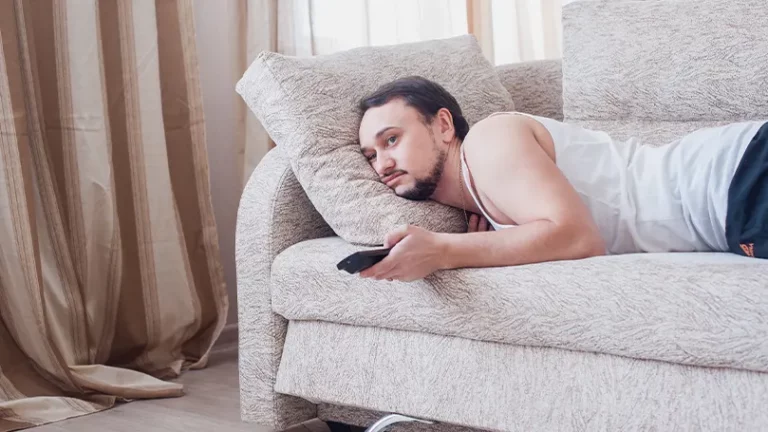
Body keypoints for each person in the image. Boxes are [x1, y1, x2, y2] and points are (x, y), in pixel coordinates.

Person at [356, 76, 768, 282]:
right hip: (731, 206)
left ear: (443, 125)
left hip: (735, 175)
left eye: (391, 139)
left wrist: (446, 248)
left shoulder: (489, 139)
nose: (382, 164)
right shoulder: (485, 200)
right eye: (371, 156)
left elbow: (578, 239)